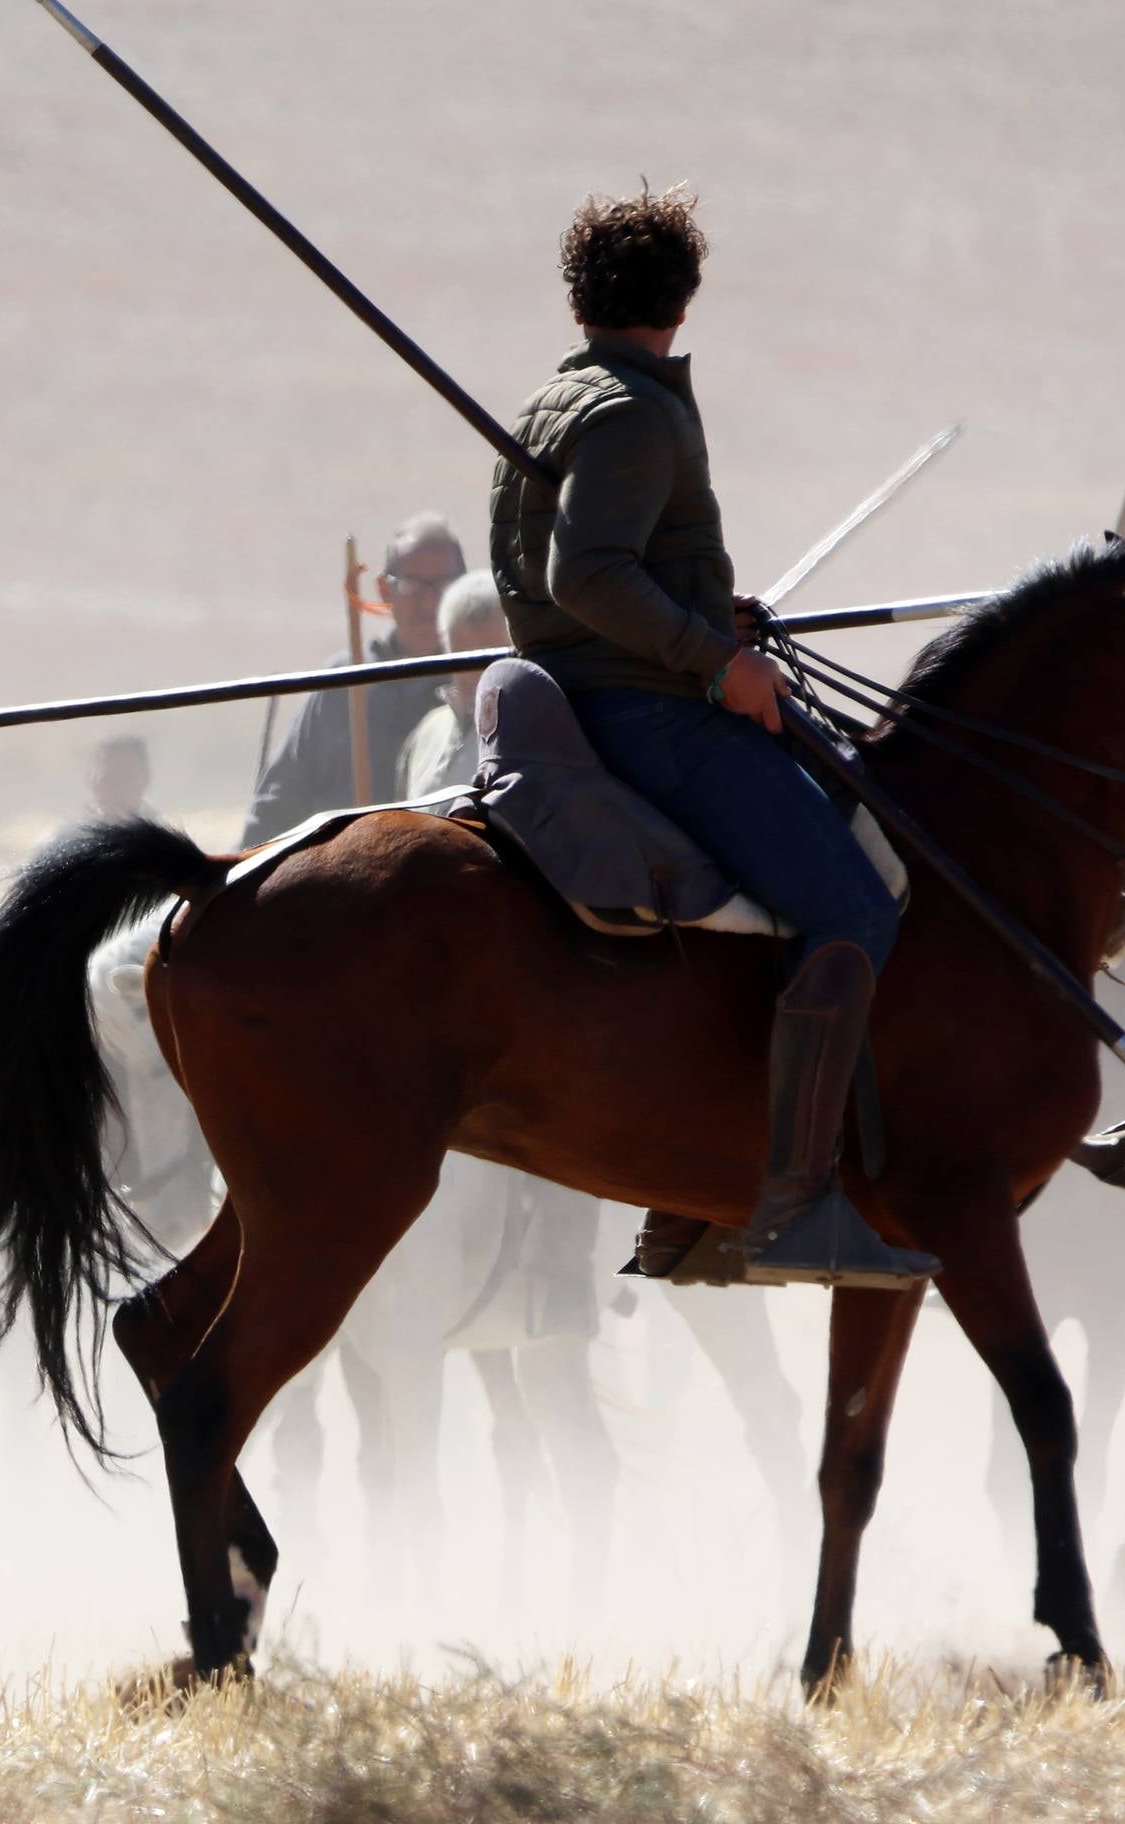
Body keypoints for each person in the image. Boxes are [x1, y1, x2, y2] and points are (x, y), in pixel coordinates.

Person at [487, 187, 930, 1287]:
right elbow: (584, 574)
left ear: (581, 294)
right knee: (852, 908)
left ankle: (692, 1206)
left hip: (602, 692)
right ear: (683, 300)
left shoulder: (552, 402)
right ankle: (787, 1205)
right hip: (649, 714)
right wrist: (714, 661)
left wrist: (699, 611)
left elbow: (585, 573)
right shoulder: (634, 413)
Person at [240, 515, 464, 844]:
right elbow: (278, 804)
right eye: (414, 585)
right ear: (385, 589)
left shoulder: (477, 686)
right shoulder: (341, 685)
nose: (429, 602)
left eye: (443, 586)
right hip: (341, 875)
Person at [397, 573, 511, 796]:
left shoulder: (528, 739)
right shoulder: (427, 733)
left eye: (486, 660)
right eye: (461, 656)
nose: (472, 675)